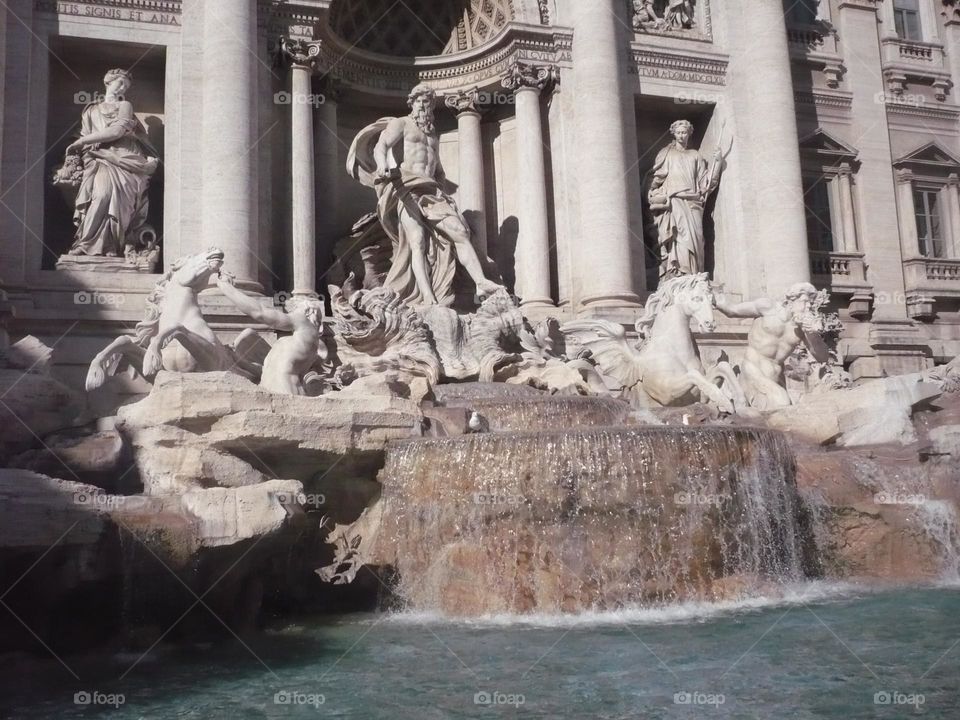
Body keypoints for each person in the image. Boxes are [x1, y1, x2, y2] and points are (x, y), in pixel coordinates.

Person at [347, 83, 502, 306]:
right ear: (412, 103)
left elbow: (437, 170)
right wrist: (382, 165)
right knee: (417, 242)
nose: (424, 105)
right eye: (420, 100)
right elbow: (381, 146)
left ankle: (481, 282)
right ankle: (428, 298)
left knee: (459, 231)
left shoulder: (432, 135)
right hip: (406, 186)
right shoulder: (402, 123)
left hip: (431, 191)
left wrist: (443, 191)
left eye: (428, 101)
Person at [63, 69, 158, 257]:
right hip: (99, 159)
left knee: (120, 202)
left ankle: (112, 246)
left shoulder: (125, 106)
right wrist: (83, 144)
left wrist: (83, 141)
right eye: (120, 83)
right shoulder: (91, 109)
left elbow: (116, 132)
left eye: (126, 86)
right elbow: (84, 135)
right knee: (101, 194)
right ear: (108, 81)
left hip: (123, 158)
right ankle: (86, 243)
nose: (122, 88)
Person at [714, 283, 831, 410]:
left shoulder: (802, 329)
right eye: (805, 301)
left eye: (811, 303)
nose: (808, 306)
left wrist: (812, 333)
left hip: (776, 378)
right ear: (792, 300)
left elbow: (822, 357)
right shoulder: (768, 307)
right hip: (753, 368)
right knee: (782, 402)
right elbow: (732, 310)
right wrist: (712, 298)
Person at [217, 274, 325, 396]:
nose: (291, 311)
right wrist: (238, 360)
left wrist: (226, 288)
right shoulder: (298, 342)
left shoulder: (304, 323)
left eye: (296, 308)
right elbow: (268, 370)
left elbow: (260, 313)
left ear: (308, 311)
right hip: (274, 391)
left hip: (284, 393)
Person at [647, 119, 723, 280]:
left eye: (684, 132)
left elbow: (706, 183)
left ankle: (694, 275)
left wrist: (717, 163)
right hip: (674, 202)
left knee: (697, 238)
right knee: (678, 239)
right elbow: (657, 177)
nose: (682, 136)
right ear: (674, 134)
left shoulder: (695, 155)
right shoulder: (666, 153)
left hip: (693, 202)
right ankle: (678, 274)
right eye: (679, 133)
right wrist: (652, 191)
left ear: (689, 134)